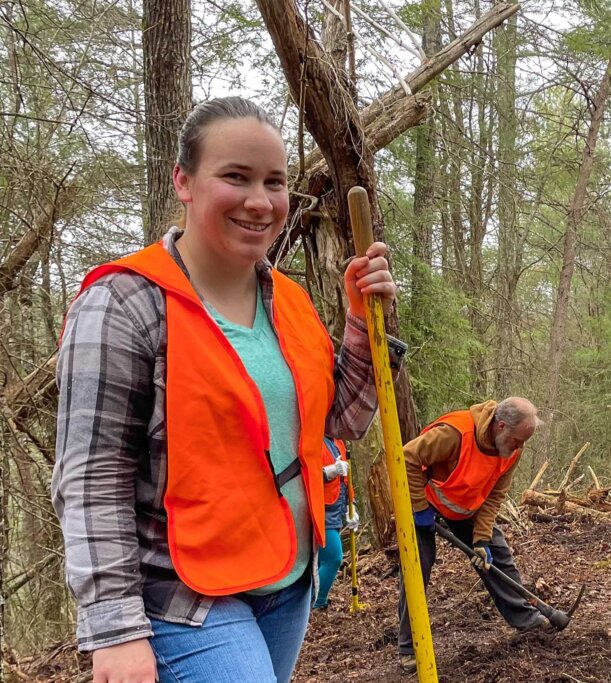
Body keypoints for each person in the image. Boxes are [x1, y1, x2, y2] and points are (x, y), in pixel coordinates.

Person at [51, 96, 402, 683]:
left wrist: (362, 326)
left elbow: (339, 421)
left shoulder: (289, 302)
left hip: (286, 580)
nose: (260, 201)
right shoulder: (122, 305)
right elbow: (91, 479)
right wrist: (115, 632)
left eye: (275, 181)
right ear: (184, 182)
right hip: (182, 596)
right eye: (235, 177)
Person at [396, 398, 549, 674]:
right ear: (500, 426)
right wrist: (419, 509)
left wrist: (480, 539)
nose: (519, 447)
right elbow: (405, 457)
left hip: (466, 508)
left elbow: (495, 496)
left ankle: (526, 619)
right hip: (423, 500)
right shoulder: (455, 434)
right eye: (517, 440)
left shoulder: (511, 449)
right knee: (416, 566)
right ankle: (410, 647)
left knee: (498, 555)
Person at [314, 438, 359, 610]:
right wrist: (328, 472)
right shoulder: (313, 439)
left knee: (321, 561)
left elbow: (347, 481)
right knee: (333, 557)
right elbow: (305, 476)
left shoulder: (339, 442)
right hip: (320, 511)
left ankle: (315, 603)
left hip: (337, 509)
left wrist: (352, 506)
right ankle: (317, 604)